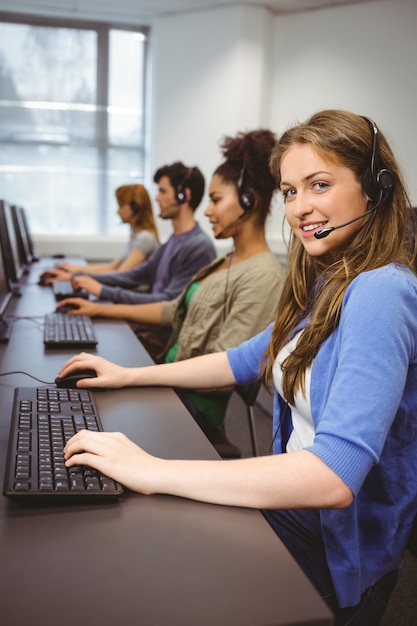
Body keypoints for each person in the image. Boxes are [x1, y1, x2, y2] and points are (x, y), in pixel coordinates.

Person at [61, 110, 417, 625]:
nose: (300, 208)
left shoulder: (382, 290)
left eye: (319, 184)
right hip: (293, 510)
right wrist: (128, 374)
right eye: (290, 191)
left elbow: (333, 477)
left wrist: (153, 470)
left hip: (333, 543)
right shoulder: (327, 281)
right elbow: (242, 359)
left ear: (375, 188)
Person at [57, 130, 284, 456]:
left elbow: (224, 372)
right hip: (169, 383)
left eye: (216, 200)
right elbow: (170, 310)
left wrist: (136, 377)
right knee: (84, 401)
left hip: (192, 408)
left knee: (91, 425)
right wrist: (98, 309)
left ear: (249, 200)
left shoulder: (264, 277)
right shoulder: (226, 260)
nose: (207, 211)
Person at [40, 184, 159, 279]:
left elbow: (120, 274)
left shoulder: (145, 238)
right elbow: (112, 266)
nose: (118, 211)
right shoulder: (136, 236)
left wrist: (72, 277)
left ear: (136, 208)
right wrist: (74, 268)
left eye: (122, 206)